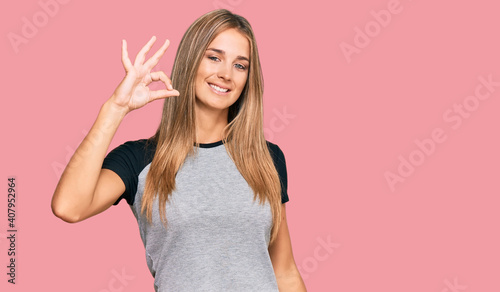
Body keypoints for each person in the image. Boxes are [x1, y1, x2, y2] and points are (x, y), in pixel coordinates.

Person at [51, 9, 306, 292]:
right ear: (190, 60)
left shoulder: (267, 158)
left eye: (240, 65)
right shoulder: (140, 159)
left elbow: (284, 272)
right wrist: (115, 109)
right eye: (214, 57)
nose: (225, 74)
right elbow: (69, 207)